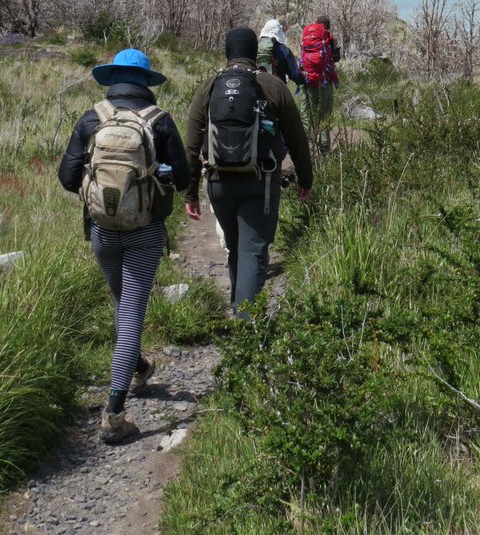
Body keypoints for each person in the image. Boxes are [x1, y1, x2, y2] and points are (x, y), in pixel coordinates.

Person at [58, 48, 190, 444]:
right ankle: (114, 414)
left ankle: (139, 368)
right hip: (145, 232)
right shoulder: (159, 121)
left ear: (113, 79)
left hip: (101, 231)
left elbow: (66, 178)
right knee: (130, 315)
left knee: (123, 307)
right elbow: (182, 178)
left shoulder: (91, 119)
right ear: (147, 83)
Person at [184, 27, 313, 317]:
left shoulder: (209, 87)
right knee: (253, 252)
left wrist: (190, 192)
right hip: (261, 184)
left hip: (219, 184)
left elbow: (191, 146)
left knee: (235, 248)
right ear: (255, 53)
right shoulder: (273, 86)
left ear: (228, 53)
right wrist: (306, 180)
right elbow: (297, 138)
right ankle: (246, 329)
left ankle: (240, 315)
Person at [299, 15, 340, 154]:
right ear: (327, 26)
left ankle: (305, 144)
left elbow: (302, 56)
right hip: (325, 80)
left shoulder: (306, 36)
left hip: (309, 79)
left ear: (316, 24)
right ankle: (324, 147)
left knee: (307, 112)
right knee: (324, 113)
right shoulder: (330, 37)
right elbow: (336, 58)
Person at [257, 18, 305, 88]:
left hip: (257, 89)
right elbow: (294, 75)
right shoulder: (284, 50)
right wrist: (303, 81)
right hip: (277, 89)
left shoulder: (254, 46)